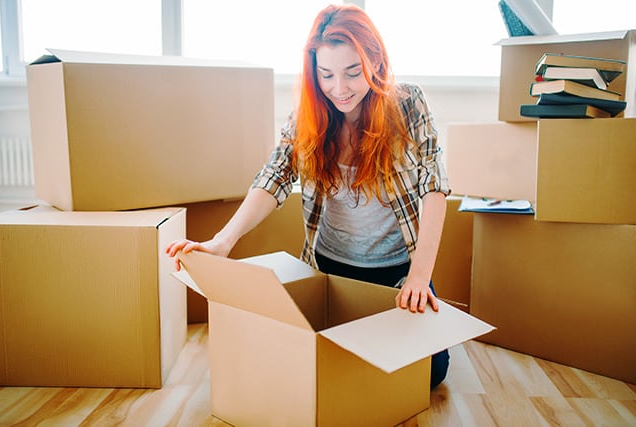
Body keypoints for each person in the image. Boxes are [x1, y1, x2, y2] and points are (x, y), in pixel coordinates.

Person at [166, 4, 451, 389]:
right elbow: (275, 175)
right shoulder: (309, 113)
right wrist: (221, 242)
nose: (340, 88)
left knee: (430, 372)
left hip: (398, 272)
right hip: (329, 268)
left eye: (353, 72)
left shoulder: (408, 103)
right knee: (303, 362)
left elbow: (433, 185)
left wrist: (420, 275)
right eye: (326, 75)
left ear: (376, 61)